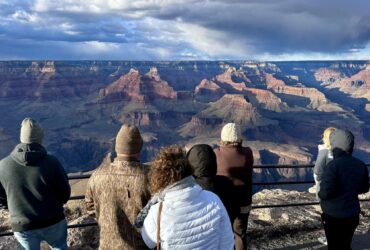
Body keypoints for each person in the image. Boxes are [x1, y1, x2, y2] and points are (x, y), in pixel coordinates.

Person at [137, 146, 234, 250]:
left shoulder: (157, 211)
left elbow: (148, 242)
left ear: (159, 177)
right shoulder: (214, 200)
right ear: (189, 169)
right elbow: (227, 243)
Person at [0, 118, 71, 250]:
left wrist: (15, 209)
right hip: (53, 220)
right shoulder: (52, 162)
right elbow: (65, 193)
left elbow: (1, 198)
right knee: (59, 246)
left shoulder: (3, 166)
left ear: (21, 137)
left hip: (23, 224)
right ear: (40, 139)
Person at [85, 124, 150, 250]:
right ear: (139, 149)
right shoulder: (150, 177)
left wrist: (108, 219)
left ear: (117, 147)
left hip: (107, 245)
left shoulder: (97, 176)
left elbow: (90, 208)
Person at [318, 129, 369, 250]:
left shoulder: (333, 166)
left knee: (335, 246)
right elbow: (364, 188)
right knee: (346, 245)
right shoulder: (360, 164)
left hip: (333, 216)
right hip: (352, 214)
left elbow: (326, 193)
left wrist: (320, 193)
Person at [214, 123, 253, 250]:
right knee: (240, 234)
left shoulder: (216, 154)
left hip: (225, 203)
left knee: (224, 234)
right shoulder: (248, 153)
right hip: (243, 202)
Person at [186, 144, 238, 223]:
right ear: (213, 162)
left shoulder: (187, 188)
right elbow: (234, 211)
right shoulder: (227, 183)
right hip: (223, 230)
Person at [313, 127, 336, 246]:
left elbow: (317, 170)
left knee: (327, 215)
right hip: (338, 189)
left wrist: (318, 181)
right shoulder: (340, 151)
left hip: (326, 189)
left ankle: (330, 239)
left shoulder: (324, 151)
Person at [313, 127, 336, 198]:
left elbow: (318, 168)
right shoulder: (340, 151)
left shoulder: (324, 151)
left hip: (325, 184)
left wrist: (319, 179)